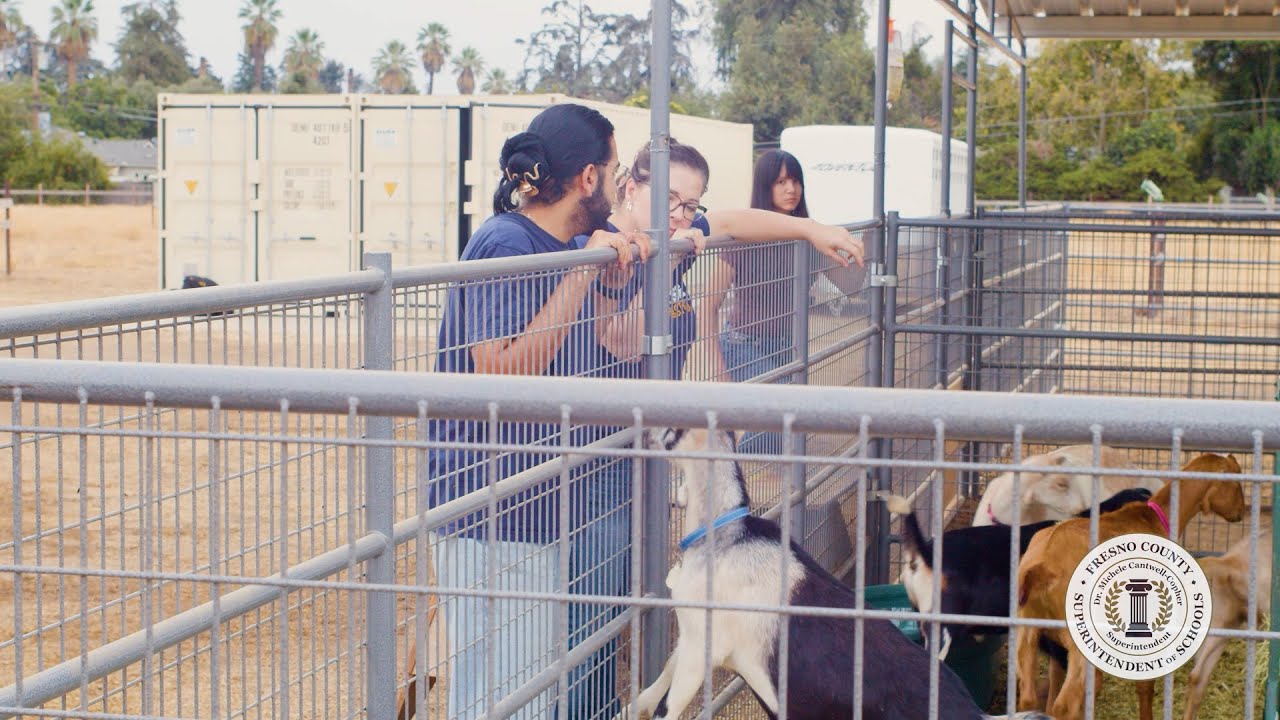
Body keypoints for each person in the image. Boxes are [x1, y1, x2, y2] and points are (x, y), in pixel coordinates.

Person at [425, 103, 650, 720]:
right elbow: (499, 367)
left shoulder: (568, 243)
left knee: (528, 692)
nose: (618, 182)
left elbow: (604, 342)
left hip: (536, 500)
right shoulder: (507, 241)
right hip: (489, 507)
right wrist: (583, 269)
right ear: (585, 178)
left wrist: (605, 267)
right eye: (611, 169)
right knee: (493, 695)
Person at [596, 141, 866, 382]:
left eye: (690, 206)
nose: (679, 215)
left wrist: (812, 229)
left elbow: (729, 221)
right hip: (609, 429)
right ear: (631, 189)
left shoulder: (670, 238)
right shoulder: (602, 249)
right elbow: (626, 345)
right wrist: (671, 258)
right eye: (668, 198)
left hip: (656, 421)